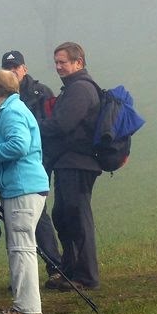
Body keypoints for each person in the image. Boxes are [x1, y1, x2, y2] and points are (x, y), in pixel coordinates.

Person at [0, 50, 62, 279]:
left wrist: (18, 130)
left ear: (25, 68)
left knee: (35, 215)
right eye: (8, 68)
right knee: (27, 221)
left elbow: (53, 125)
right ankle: (25, 276)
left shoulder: (40, 93)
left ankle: (53, 265)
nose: (13, 71)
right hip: (10, 169)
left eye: (16, 67)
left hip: (36, 162)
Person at [0, 69, 50, 314]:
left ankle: (26, 307)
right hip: (23, 186)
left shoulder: (12, 112)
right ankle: (26, 304)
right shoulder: (12, 110)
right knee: (21, 246)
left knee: (21, 247)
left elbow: (19, 145)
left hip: (21, 187)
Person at [39, 42, 102, 291]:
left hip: (78, 162)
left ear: (78, 62)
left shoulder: (80, 89)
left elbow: (62, 125)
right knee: (63, 216)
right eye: (56, 62)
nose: (58, 67)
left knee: (77, 217)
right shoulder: (72, 88)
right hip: (69, 162)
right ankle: (70, 271)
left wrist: (32, 126)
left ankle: (86, 276)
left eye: (63, 62)